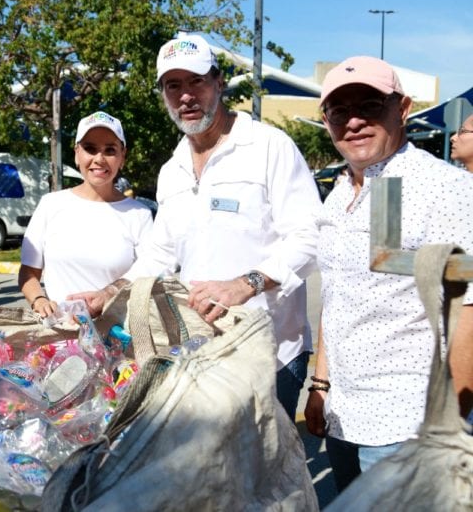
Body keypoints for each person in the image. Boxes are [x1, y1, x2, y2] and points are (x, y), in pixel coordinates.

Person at [70, 35, 322, 421]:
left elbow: (310, 235)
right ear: (163, 94)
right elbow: (160, 254)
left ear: (219, 82)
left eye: (196, 81)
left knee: (264, 476)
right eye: (174, 85)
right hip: (201, 351)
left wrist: (245, 283)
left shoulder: (269, 146)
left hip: (269, 353)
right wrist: (108, 293)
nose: (186, 96)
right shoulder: (173, 170)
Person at [304, 55, 473, 492]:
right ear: (326, 122)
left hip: (408, 426)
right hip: (345, 418)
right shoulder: (342, 192)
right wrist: (321, 384)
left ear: (403, 108)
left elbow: (468, 309)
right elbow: (342, 296)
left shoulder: (443, 188)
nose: (354, 121)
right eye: (340, 111)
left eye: (370, 105)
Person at [19, 112, 153, 316]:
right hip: (60, 334)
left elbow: (149, 276)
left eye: (110, 150)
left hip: (117, 337)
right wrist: (40, 301)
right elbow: (29, 273)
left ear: (122, 156)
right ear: (76, 153)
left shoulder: (139, 214)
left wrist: (109, 295)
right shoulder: (51, 205)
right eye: (90, 149)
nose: (99, 159)